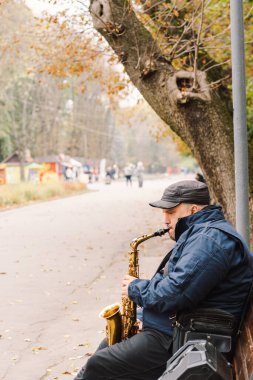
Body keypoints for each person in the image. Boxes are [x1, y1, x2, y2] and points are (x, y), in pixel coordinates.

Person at [74, 180, 253, 380]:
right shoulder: (201, 233)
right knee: (105, 348)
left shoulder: (210, 240)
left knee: (99, 365)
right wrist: (144, 317)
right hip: (178, 328)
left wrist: (135, 288)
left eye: (170, 212)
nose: (165, 220)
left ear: (192, 210)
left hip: (184, 340)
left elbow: (175, 293)